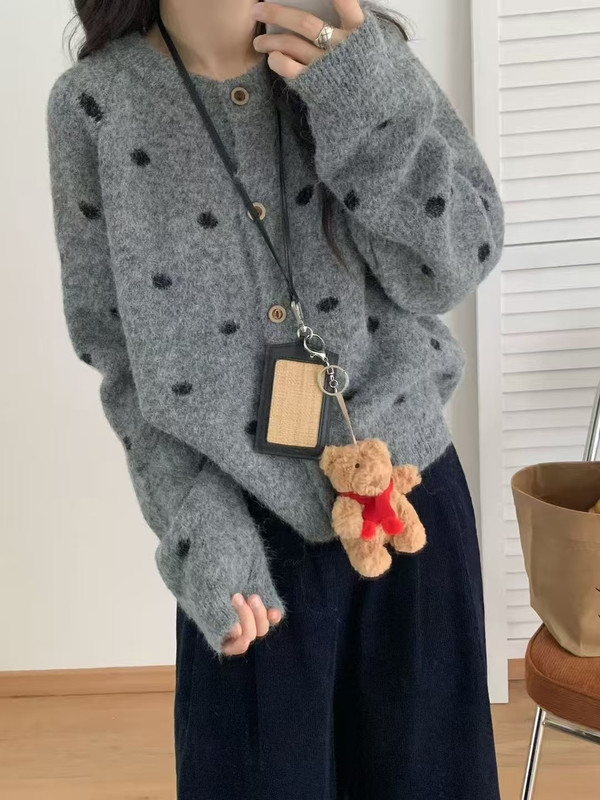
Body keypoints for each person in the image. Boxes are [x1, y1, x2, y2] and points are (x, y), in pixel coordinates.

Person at [46, 0, 505, 797]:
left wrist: (356, 99)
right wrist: (199, 531)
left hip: (407, 504)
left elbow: (459, 260)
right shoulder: (97, 106)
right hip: (244, 537)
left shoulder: (357, 54)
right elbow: (115, 352)